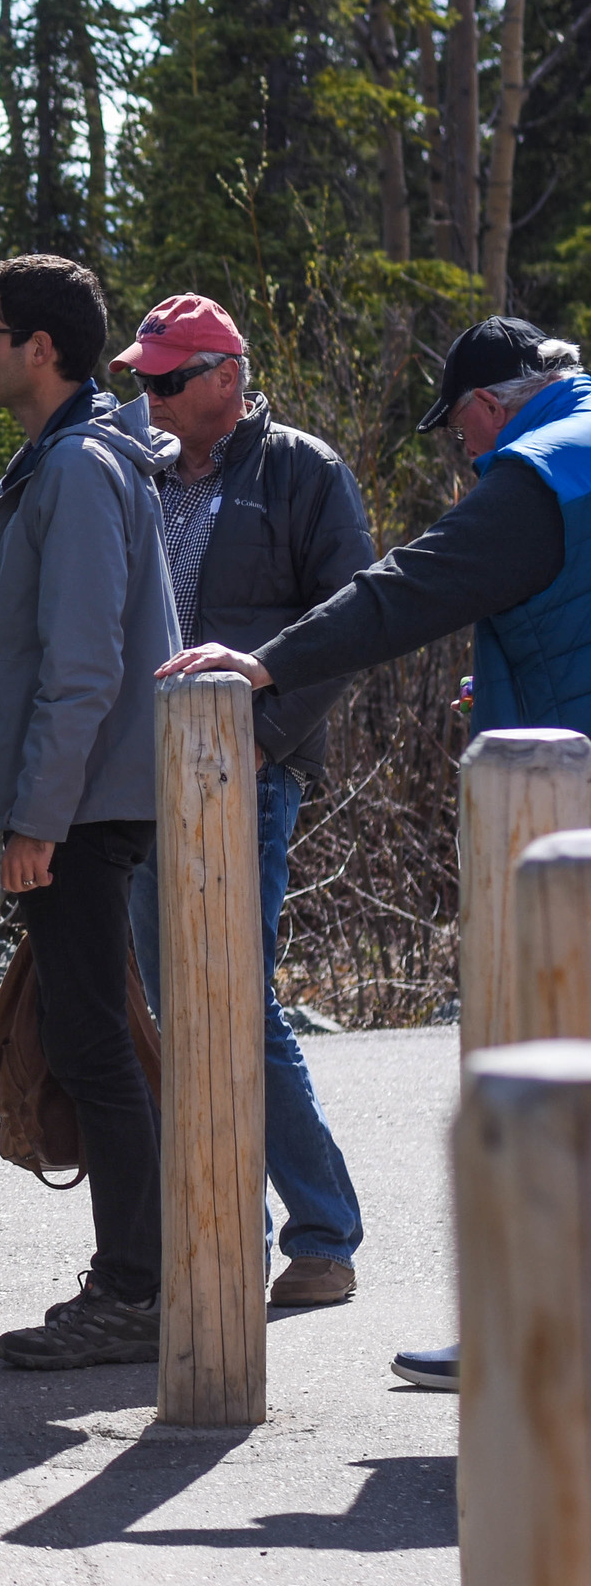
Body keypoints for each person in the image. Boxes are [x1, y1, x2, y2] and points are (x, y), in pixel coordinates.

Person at [160, 314, 591, 1388]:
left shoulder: (544, 471)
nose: (466, 457)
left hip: (566, 833)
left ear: (488, 407)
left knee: (543, 1071)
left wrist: (261, 664)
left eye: (461, 436)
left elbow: (409, 585)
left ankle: (529, 1332)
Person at [112, 296, 375, 1310]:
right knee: (183, 1001)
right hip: (142, 777)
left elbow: (352, 615)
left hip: (247, 773)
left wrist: (257, 738)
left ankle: (319, 1230)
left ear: (228, 374)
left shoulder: (300, 469)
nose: (152, 394)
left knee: (232, 993)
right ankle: (227, 1225)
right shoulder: (134, 469)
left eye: (170, 377)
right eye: (143, 377)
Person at [0, 254, 183, 1370]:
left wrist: (39, 816)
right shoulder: (64, 460)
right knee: (98, 1032)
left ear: (41, 349)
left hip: (84, 807)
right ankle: (140, 1277)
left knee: (97, 1041)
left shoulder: (80, 469)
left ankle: (140, 1289)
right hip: (81, 802)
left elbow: (85, 663)